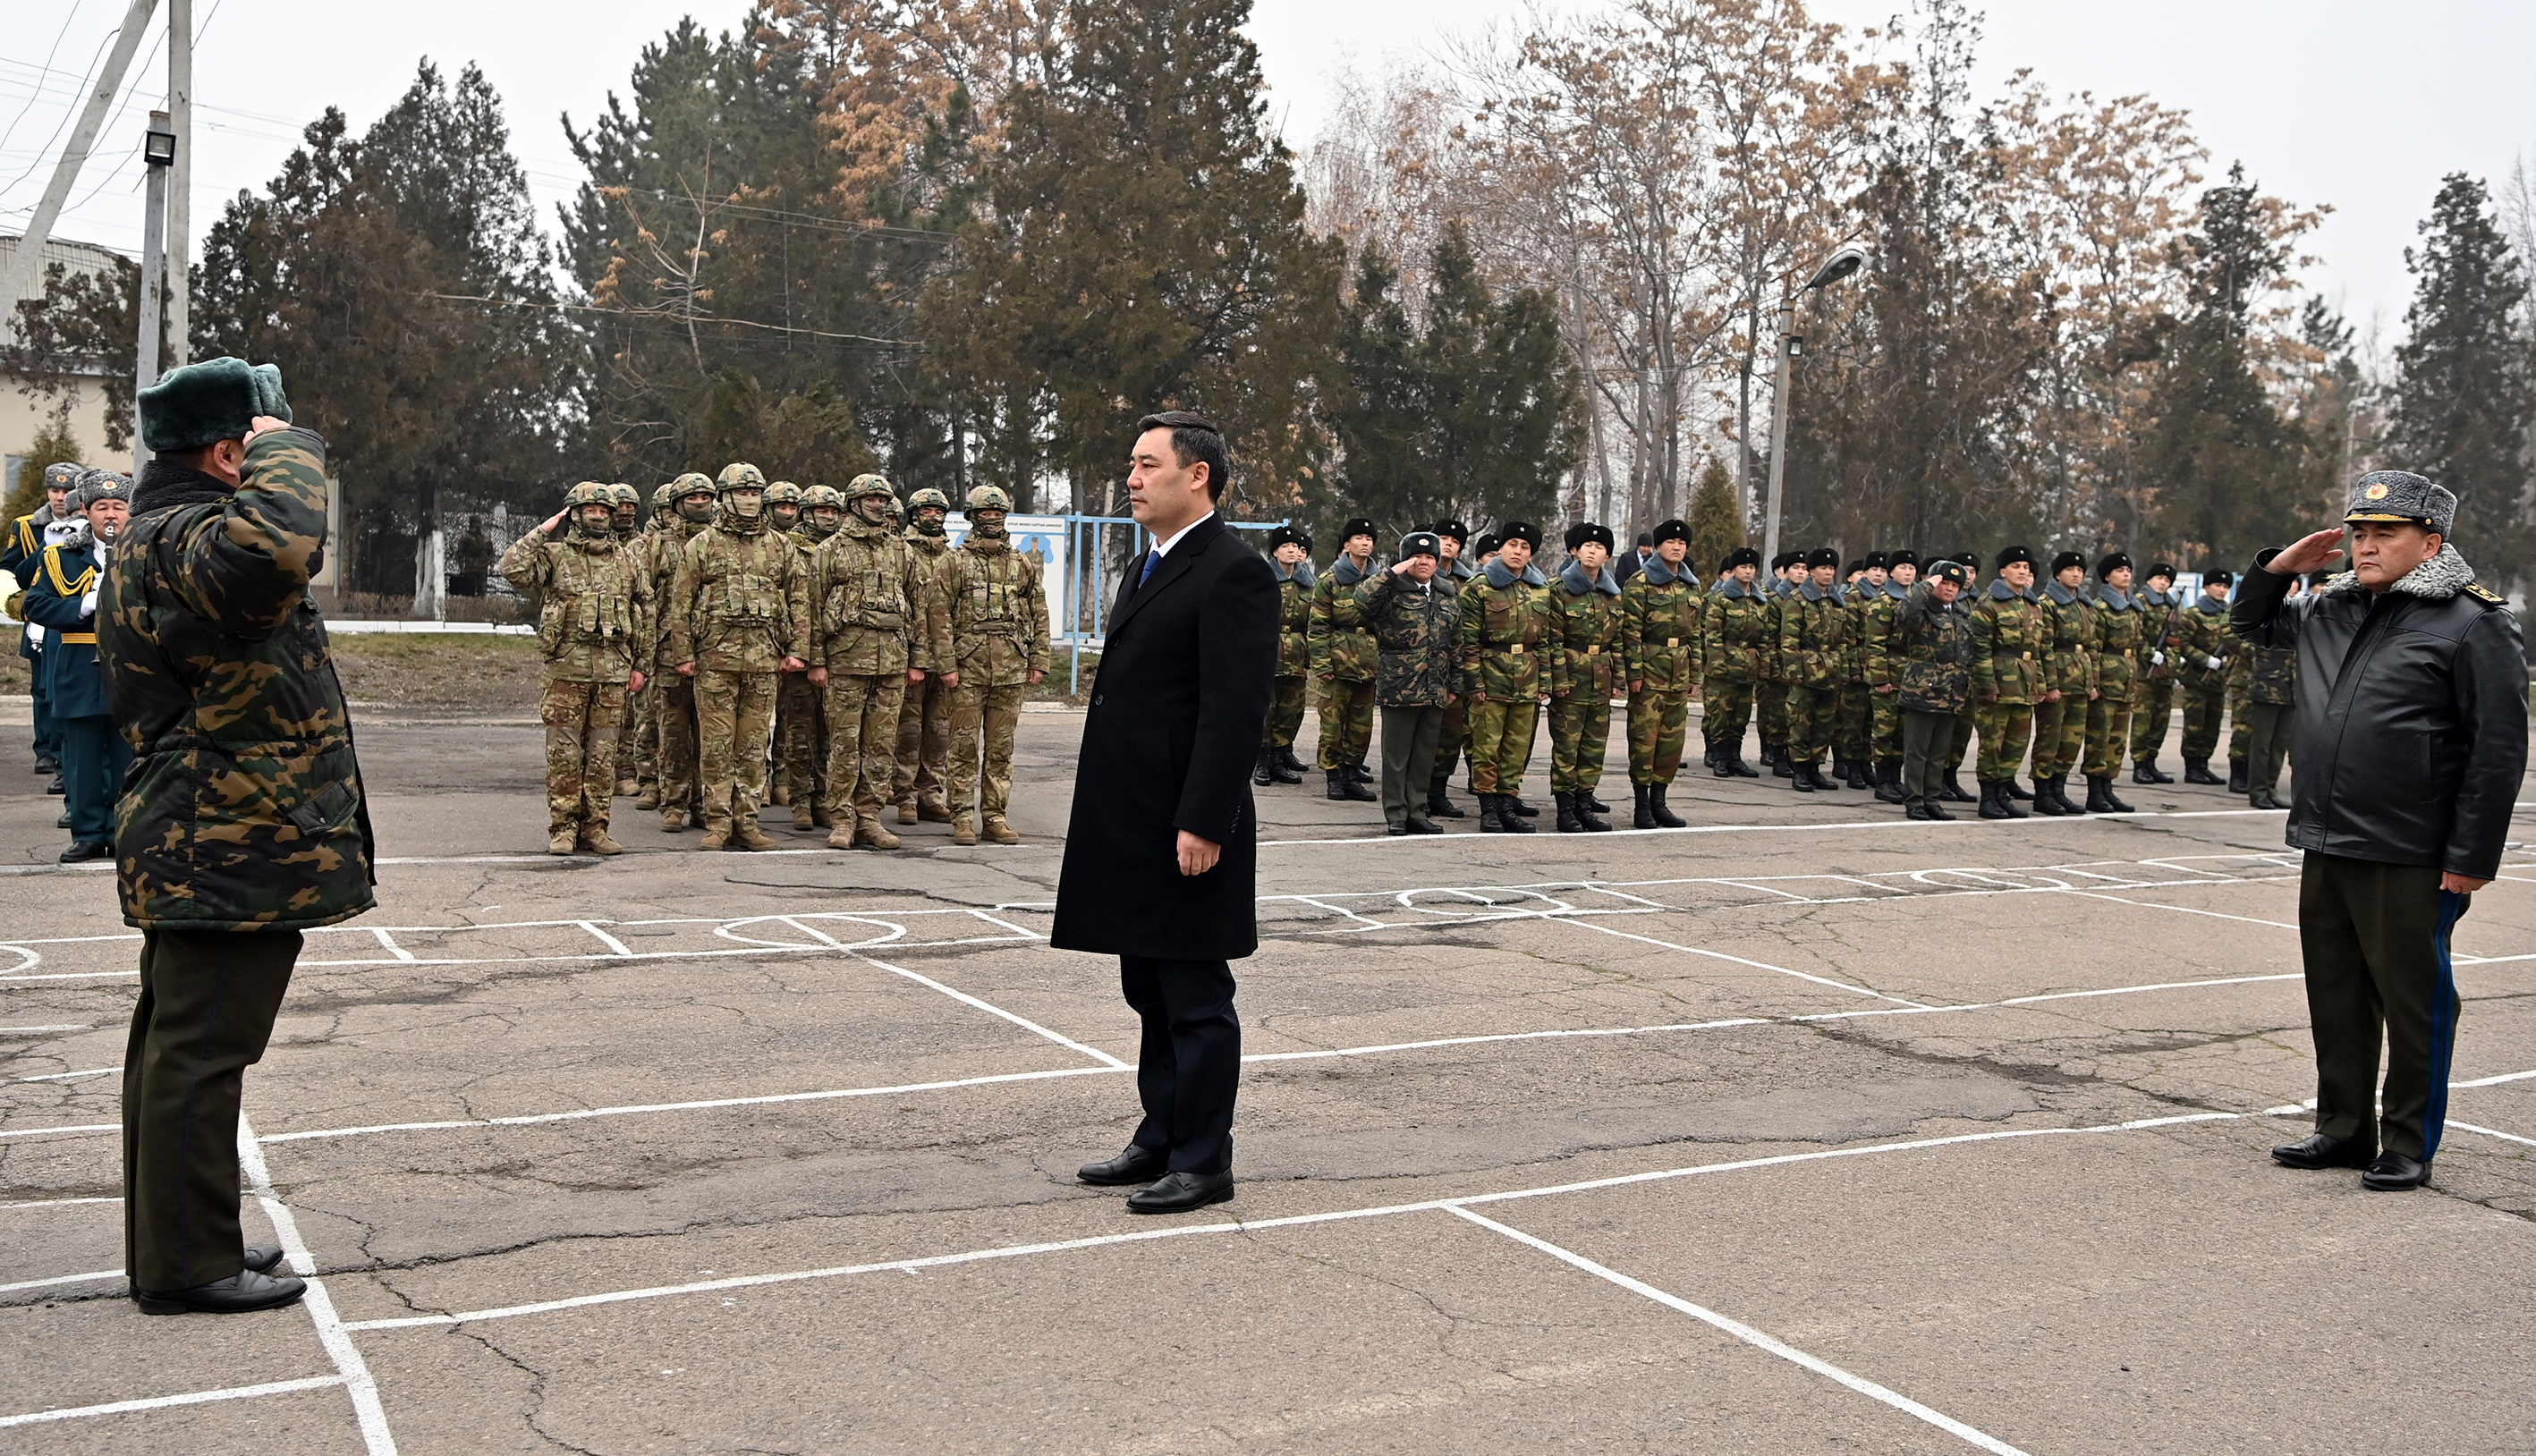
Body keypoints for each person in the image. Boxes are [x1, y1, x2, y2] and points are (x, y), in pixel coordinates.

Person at [102, 357, 374, 1315]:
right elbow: (274, 553)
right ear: (226, 452)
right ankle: (183, 1263)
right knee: (199, 1052)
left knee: (180, 1046)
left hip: (215, 835)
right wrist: (290, 449)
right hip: (222, 842)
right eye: (257, 444)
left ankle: (180, 1239)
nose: (278, 457)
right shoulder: (192, 537)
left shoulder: (166, 535)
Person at [2241, 471, 2526, 1191]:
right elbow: (2248, 623)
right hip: (2328, 835)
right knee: (2334, 990)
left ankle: (2406, 1140)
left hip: (2413, 848)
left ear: (2431, 543)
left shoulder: (2471, 621)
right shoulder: (2328, 608)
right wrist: (2277, 570)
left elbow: (2496, 749)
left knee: (2413, 998)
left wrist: (2470, 856)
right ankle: (2341, 1127)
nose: (2365, 547)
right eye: (2358, 533)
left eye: (2384, 534)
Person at [1056, 411, 1275, 1214]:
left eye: (1148, 465)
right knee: (1146, 984)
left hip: (1184, 820)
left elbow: (1232, 712)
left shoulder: (1233, 572)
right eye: (1131, 464)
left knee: (1194, 995)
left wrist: (1203, 822)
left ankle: (1203, 1159)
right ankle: (1160, 1134)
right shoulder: (1145, 564)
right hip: (1131, 815)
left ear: (1198, 477)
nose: (1132, 479)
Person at [498, 482, 651, 855]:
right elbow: (511, 568)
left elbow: (646, 611)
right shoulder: (554, 556)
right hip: (568, 672)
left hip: (613, 674)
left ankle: (596, 829)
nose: (599, 516)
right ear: (575, 514)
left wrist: (641, 665)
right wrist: (545, 529)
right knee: (564, 756)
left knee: (602, 757)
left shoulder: (628, 559)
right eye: (591, 510)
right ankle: (563, 829)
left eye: (604, 511)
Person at [667, 463, 810, 851]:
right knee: (716, 745)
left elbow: (798, 600)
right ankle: (717, 823)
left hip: (765, 661)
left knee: (751, 746)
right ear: (725, 497)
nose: (748, 500)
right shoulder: (703, 545)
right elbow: (680, 603)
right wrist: (683, 654)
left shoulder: (781, 546)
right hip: (715, 660)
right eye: (741, 493)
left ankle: (747, 823)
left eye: (753, 493)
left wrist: (797, 650)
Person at [808, 473, 945, 850]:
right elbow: (812, 608)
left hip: (891, 666)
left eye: (883, 499)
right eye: (870, 498)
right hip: (845, 664)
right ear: (853, 503)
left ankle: (869, 818)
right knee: (844, 745)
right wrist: (816, 661)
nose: (878, 504)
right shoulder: (830, 550)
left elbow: (919, 609)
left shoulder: (901, 551)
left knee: (881, 745)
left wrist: (916, 660)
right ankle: (842, 819)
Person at [20, 471, 131, 860]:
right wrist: (82, 605)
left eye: (119, 506)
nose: (111, 515)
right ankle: (87, 832)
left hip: (128, 669)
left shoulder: (141, 554)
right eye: (102, 507)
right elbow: (34, 604)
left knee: (126, 757)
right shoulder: (59, 556)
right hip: (79, 664)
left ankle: (121, 831)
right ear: (87, 511)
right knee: (81, 757)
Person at [937, 485, 1049, 846]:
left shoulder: (1021, 564)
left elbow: (1039, 613)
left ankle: (995, 816)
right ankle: (962, 818)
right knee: (964, 747)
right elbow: (937, 616)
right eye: (985, 514)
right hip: (967, 669)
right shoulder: (953, 562)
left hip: (1011, 669)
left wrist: (1039, 660)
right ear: (972, 517)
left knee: (1001, 749)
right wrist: (946, 664)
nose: (992, 520)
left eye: (998, 514)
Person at [1356, 529, 1457, 834]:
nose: (1424, 562)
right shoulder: (1391, 591)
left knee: (1424, 756)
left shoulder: (1446, 593)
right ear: (1405, 560)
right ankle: (1396, 814)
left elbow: (1458, 642)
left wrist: (1456, 685)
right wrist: (1392, 572)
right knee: (1396, 757)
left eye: (1430, 557)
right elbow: (1361, 601)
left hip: (1435, 686)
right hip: (1400, 686)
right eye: (1417, 556)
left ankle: (1417, 811)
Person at [1458, 520, 1551, 832]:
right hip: (1491, 678)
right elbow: (1467, 641)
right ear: (1502, 548)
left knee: (1517, 748)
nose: (1518, 551)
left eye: (1525, 548)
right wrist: (1474, 682)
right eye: (1513, 545)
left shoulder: (1540, 590)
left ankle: (1507, 805)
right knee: (1487, 745)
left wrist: (1545, 683)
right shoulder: (1478, 587)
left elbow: (1546, 642)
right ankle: (1487, 809)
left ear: (1531, 555)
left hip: (1527, 680)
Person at [644, 473, 718, 825]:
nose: (700, 502)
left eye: (706, 496)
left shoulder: (720, 542)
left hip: (714, 652)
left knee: (711, 734)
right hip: (668, 652)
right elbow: (641, 597)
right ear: (677, 504)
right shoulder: (656, 545)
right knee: (673, 732)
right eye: (692, 497)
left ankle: (704, 805)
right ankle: (673, 803)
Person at [1622, 519, 1701, 827]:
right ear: (1658, 547)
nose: (1677, 547)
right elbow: (1630, 633)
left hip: (1679, 671)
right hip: (1650, 669)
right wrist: (1635, 673)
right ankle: (1641, 804)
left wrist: (1695, 675)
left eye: (1682, 543)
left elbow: (1696, 633)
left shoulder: (1690, 585)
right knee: (1645, 738)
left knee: (1671, 741)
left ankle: (1660, 801)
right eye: (1670, 542)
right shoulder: (1639, 583)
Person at [1548, 521, 1623, 833]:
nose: (1592, 552)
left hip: (1600, 680)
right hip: (1572, 679)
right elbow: (1551, 640)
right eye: (1587, 547)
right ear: (1575, 552)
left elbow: (1617, 640)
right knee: (1567, 745)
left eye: (1600, 548)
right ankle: (1565, 810)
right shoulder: (1559, 590)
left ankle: (1584, 803)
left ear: (1607, 556)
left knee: (1594, 746)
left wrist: (1618, 679)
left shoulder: (1612, 594)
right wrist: (1559, 680)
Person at [894, 486, 958, 825]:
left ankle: (930, 794)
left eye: (939, 511)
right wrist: (909, 658)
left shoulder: (953, 556)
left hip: (945, 659)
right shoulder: (901, 551)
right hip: (909, 657)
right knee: (908, 730)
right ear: (914, 514)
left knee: (939, 732)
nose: (933, 516)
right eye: (927, 511)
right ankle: (904, 796)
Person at [1968, 546, 2044, 820]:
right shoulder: (1989, 603)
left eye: (2026, 566)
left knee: (2016, 743)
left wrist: (2041, 685)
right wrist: (1987, 685)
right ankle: (1988, 798)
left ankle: (2003, 793)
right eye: (2016, 566)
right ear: (2003, 572)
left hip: (2025, 684)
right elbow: (1980, 648)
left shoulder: (2033, 605)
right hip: (1999, 682)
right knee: (1992, 743)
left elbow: (2037, 651)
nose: (2023, 571)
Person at [1895, 561, 1973, 820]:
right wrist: (1926, 585)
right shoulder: (1921, 611)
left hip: (1951, 693)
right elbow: (1904, 611)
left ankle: (1932, 799)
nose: (1949, 589)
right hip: (1923, 691)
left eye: (1954, 585)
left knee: (1939, 753)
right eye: (1944, 583)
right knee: (1917, 752)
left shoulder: (1961, 614)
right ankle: (1914, 801)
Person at [1310, 518, 1380, 801]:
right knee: (1332, 725)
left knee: (1361, 727)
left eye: (1369, 539)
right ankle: (1333, 777)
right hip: (1338, 664)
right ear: (1347, 544)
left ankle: (1352, 776)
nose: (1365, 543)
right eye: (1359, 538)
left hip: (1368, 664)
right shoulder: (1330, 581)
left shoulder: (1379, 581)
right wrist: (1323, 665)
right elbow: (1317, 627)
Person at [2031, 549, 2094, 817]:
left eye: (2080, 571)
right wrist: (2049, 685)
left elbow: (2090, 646)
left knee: (2071, 740)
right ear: (2058, 574)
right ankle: (2043, 792)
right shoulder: (2047, 604)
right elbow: (2043, 647)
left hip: (2079, 680)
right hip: (2058, 679)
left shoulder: (2084, 605)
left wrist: (2092, 682)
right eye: (2070, 570)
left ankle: (2059, 788)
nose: (2076, 574)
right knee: (2050, 738)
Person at [1779, 547, 1847, 792]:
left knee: (1824, 725)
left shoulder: (1836, 602)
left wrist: (1844, 670)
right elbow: (1789, 640)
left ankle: (1815, 768)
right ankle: (1799, 770)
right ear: (1811, 571)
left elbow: (1843, 641)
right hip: (1806, 673)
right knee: (1800, 722)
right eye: (1823, 568)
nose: (1828, 573)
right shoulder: (1797, 600)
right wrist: (1794, 671)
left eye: (1831, 569)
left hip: (1830, 673)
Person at [2082, 552, 2142, 814]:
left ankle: (2108, 788)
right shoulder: (2101, 608)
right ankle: (2095, 793)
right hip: (2107, 677)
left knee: (2117, 739)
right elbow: (2093, 648)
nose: (2126, 574)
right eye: (2120, 571)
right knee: (2100, 737)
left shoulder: (2132, 607)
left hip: (2126, 678)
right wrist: (2094, 682)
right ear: (2107, 577)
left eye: (2128, 570)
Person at [1700, 546, 1768, 779]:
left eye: (1751, 567)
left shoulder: (1759, 601)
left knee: (1741, 716)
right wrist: (1718, 666)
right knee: (1721, 715)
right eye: (1743, 567)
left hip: (1748, 667)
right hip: (1725, 667)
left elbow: (1764, 638)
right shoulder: (1721, 599)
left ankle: (1734, 758)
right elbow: (1713, 635)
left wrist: (1764, 666)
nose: (1748, 572)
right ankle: (1719, 757)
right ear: (1734, 569)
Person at [1255, 525, 1313, 786]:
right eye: (1285, 546)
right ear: (1275, 551)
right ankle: (1263, 762)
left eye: (1294, 546)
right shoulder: (1262, 578)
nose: (1291, 550)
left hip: (1297, 653)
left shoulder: (1308, 583)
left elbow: (1314, 623)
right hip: (1269, 650)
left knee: (1291, 710)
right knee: (1267, 709)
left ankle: (1280, 758)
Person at [1424, 519, 1474, 818]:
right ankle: (1416, 794)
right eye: (1443, 538)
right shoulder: (1419, 574)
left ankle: (1438, 792)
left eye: (1455, 542)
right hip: (1423, 667)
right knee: (1424, 734)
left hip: (1454, 665)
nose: (1449, 545)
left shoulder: (1467, 584)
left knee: (1451, 735)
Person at [2240, 577, 2298, 811]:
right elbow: (2248, 643)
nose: (2292, 586)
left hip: (2291, 689)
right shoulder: (2264, 613)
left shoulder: (2297, 613)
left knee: (2279, 745)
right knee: (2262, 745)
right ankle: (2258, 792)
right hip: (2267, 687)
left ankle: (2271, 789)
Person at [2173, 569, 2234, 785]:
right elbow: (2184, 645)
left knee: (2212, 726)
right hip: (2196, 678)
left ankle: (2203, 765)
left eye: (2225, 587)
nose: (2221, 590)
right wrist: (2205, 659)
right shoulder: (2193, 614)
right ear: (2206, 587)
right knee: (2194, 725)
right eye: (2217, 585)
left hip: (2218, 680)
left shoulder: (2229, 615)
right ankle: (2192, 768)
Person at [2128, 562, 2181, 783]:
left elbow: (2177, 638)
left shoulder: (2171, 606)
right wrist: (2151, 654)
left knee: (2160, 719)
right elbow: (2135, 635)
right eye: (2159, 578)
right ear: (2149, 580)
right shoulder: (2140, 602)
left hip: (2164, 672)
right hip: (2144, 671)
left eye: (2167, 581)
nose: (2163, 583)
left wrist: (2171, 662)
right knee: (2143, 718)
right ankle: (2139, 763)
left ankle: (2151, 761)